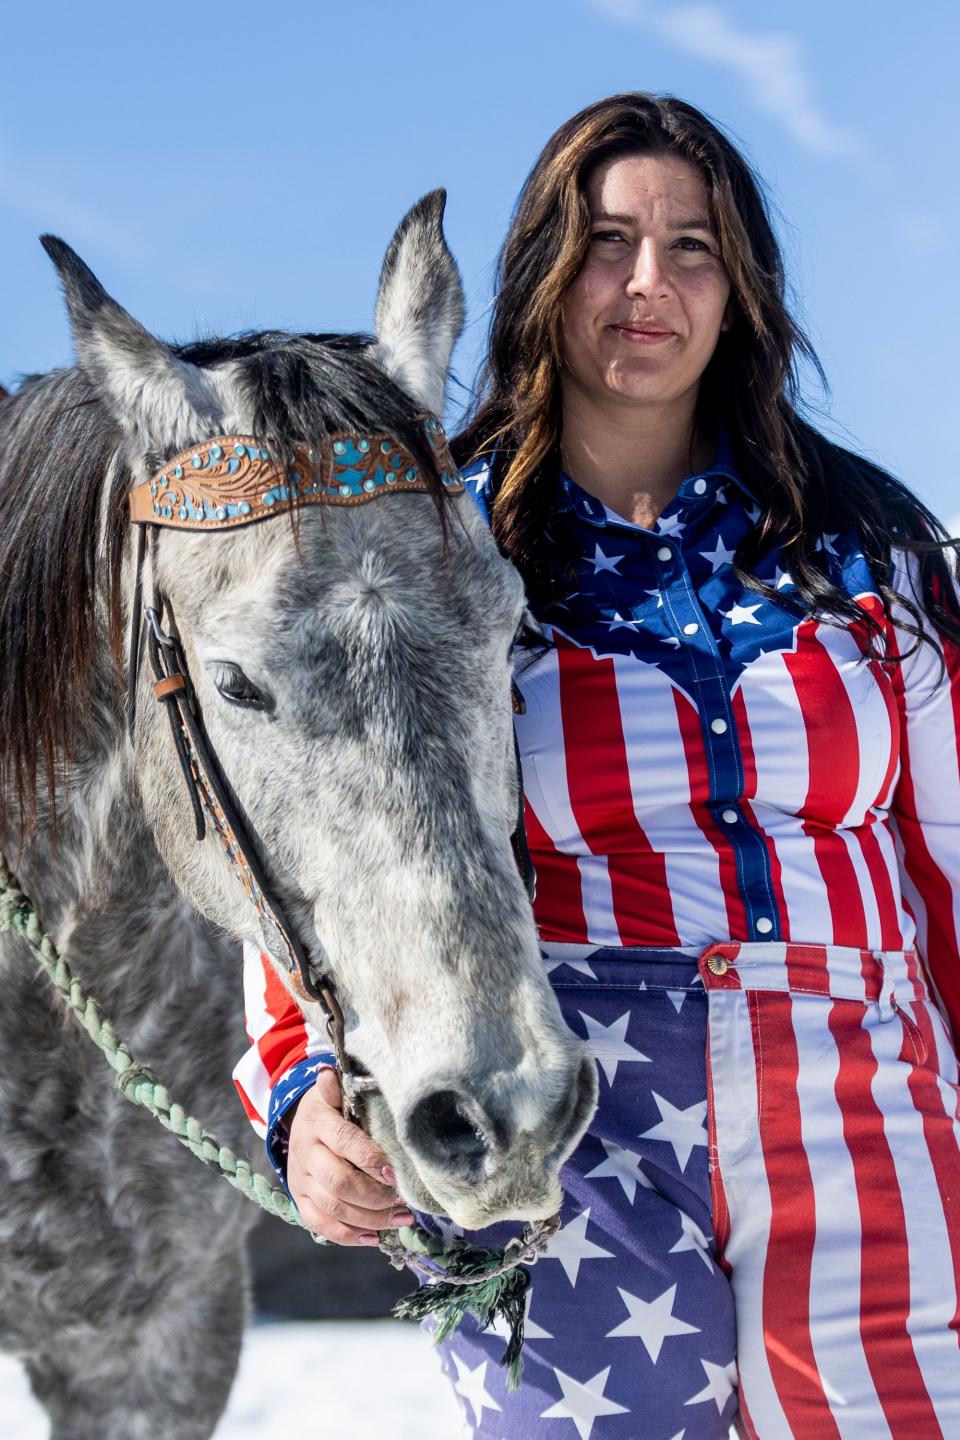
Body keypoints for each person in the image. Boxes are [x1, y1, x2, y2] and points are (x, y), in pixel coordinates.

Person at [233, 93, 960, 1437]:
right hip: (565, 1112)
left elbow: (950, 853)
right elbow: (339, 827)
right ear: (542, 272)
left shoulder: (874, 550)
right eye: (607, 241)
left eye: (693, 246)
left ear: (741, 285)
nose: (648, 285)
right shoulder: (435, 549)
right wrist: (297, 1094)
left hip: (868, 1110)